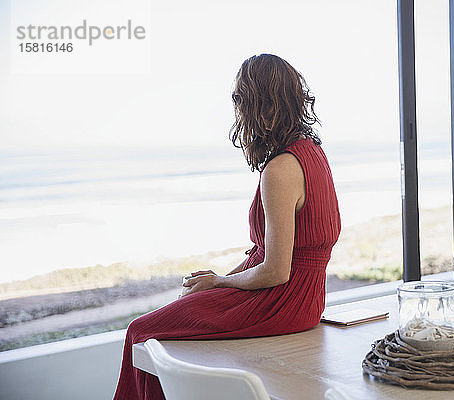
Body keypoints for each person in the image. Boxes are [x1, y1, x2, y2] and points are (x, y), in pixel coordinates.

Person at [112, 53, 341, 400]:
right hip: (306, 300)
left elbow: (276, 271)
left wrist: (219, 281)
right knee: (176, 309)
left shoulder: (280, 169)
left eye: (240, 98)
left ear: (261, 105)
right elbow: (273, 256)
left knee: (140, 331)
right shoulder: (312, 152)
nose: (236, 108)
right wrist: (217, 283)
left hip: (281, 302)